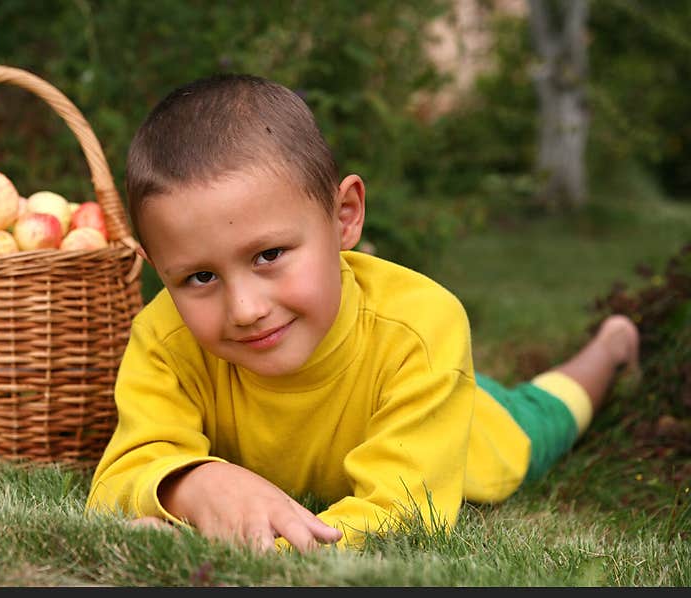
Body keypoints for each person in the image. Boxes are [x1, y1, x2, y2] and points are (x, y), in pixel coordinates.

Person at [84, 73, 640, 552]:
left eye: (269, 255)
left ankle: (609, 347)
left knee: (545, 412)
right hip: (405, 386)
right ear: (159, 267)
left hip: (470, 425)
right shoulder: (162, 337)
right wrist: (193, 484)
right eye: (199, 277)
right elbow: (123, 472)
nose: (246, 309)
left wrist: (277, 550)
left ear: (344, 215)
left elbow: (402, 511)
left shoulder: (424, 327)